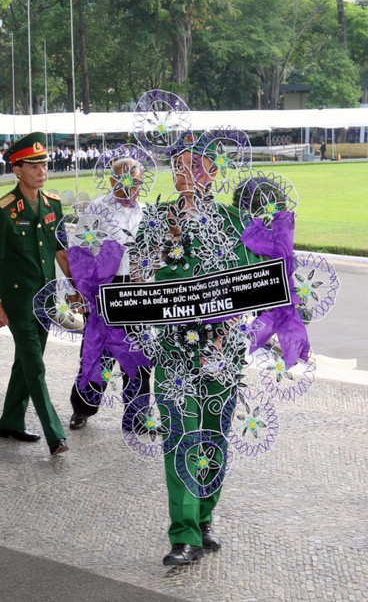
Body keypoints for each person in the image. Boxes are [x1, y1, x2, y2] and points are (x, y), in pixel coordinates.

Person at [132, 141, 262, 566]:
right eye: (178, 167)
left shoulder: (233, 223)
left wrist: (221, 344)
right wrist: (151, 258)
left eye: (195, 166)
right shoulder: (156, 218)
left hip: (222, 351)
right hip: (173, 350)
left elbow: (245, 289)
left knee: (214, 437)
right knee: (179, 436)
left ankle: (205, 516)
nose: (185, 174)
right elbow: (137, 276)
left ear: (213, 171)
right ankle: (183, 532)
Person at [0, 132, 71, 455]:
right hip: (18, 302)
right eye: (33, 165)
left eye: (44, 163)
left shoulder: (53, 205)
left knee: (25, 362)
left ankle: (10, 421)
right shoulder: (2, 211)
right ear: (17, 170)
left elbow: (61, 251)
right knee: (35, 365)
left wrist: (77, 287)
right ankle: (55, 434)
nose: (41, 170)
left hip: (46, 300)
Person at [68, 156, 151, 430]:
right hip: (106, 288)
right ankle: (82, 408)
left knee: (139, 353)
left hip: (138, 292)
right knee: (97, 352)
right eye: (125, 180)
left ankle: (137, 416)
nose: (131, 187)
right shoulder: (97, 208)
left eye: (136, 181)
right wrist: (81, 290)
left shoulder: (147, 212)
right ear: (113, 180)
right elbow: (79, 250)